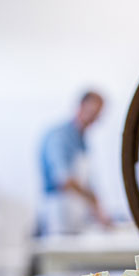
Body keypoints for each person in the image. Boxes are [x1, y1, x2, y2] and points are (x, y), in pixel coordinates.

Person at [39, 91, 111, 235]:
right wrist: (92, 199)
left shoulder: (82, 141)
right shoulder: (59, 137)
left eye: (97, 115)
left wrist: (98, 209)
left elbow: (86, 180)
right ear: (81, 107)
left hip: (77, 217)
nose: (94, 119)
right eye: (93, 112)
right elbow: (64, 180)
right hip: (58, 215)